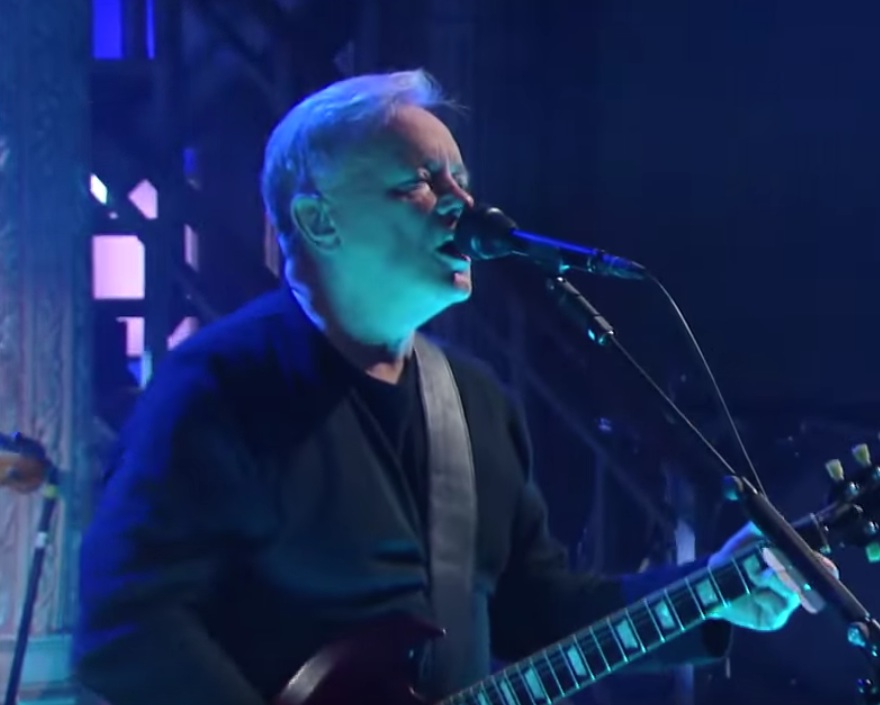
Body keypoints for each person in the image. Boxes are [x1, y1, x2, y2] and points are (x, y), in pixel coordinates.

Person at [73, 70, 831, 705]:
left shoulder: (474, 402)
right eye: (418, 184)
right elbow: (127, 630)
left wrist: (713, 590)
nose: (464, 208)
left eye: (461, 182)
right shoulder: (217, 390)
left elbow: (540, 610)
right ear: (319, 221)